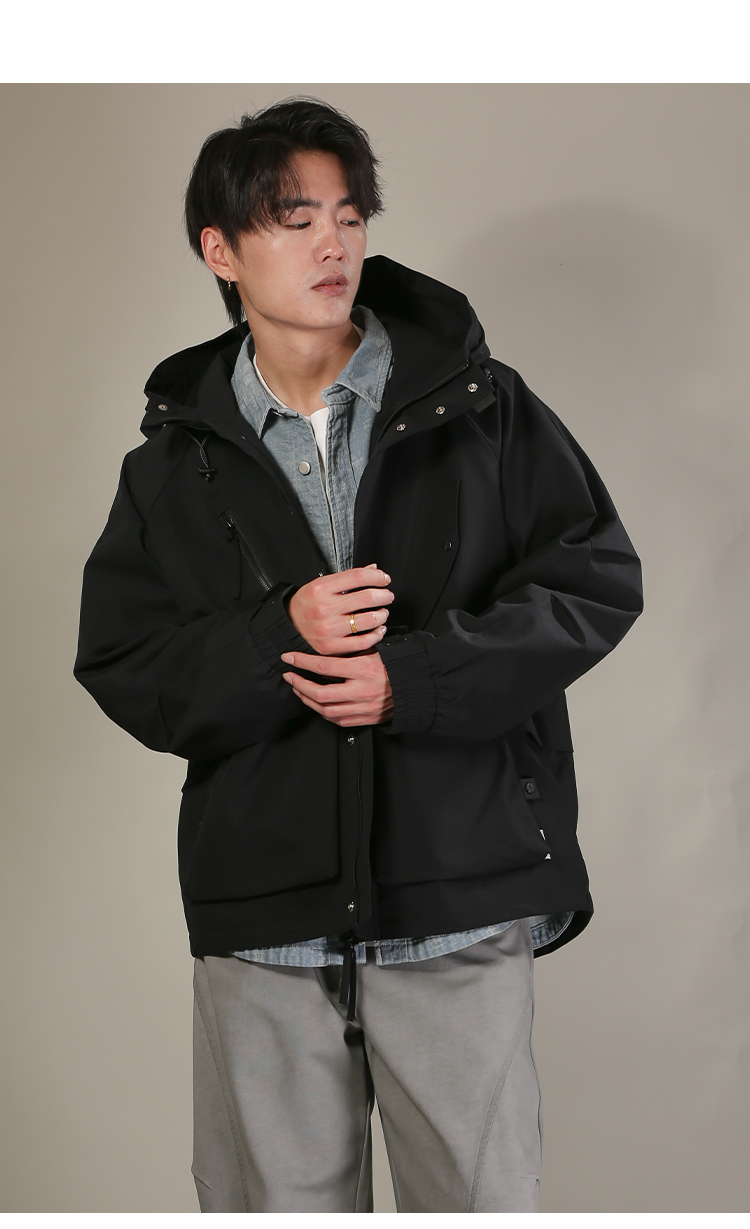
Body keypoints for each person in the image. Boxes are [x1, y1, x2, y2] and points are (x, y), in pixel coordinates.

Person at [74, 97, 643, 1213]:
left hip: (458, 893)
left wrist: (415, 681)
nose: (332, 244)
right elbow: (128, 663)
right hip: (265, 919)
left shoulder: (483, 408)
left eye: (347, 215)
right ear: (221, 251)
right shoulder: (173, 462)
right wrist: (276, 635)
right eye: (293, 221)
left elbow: (595, 579)